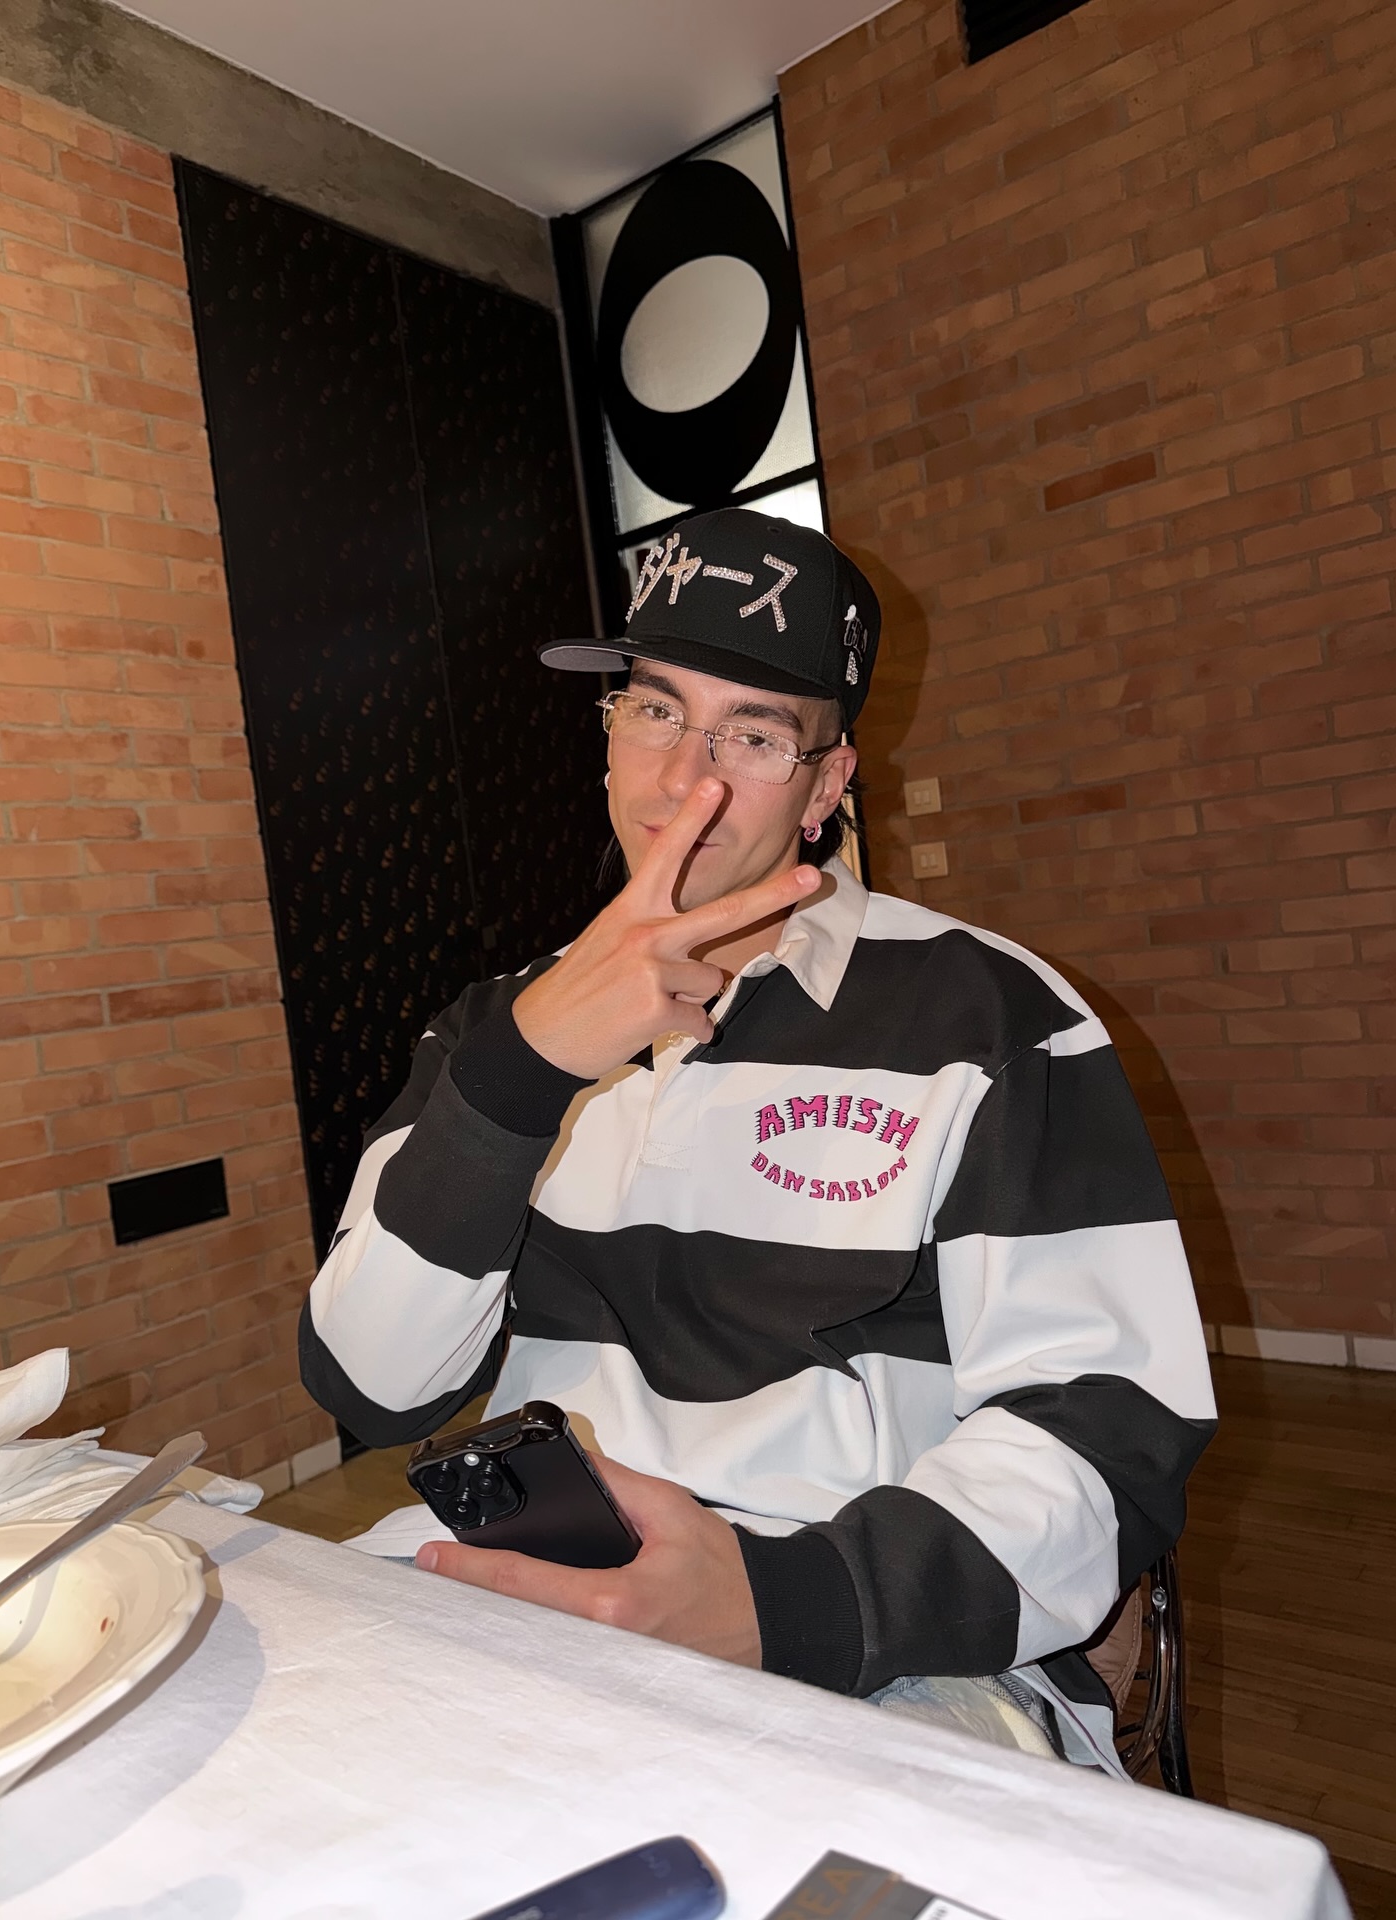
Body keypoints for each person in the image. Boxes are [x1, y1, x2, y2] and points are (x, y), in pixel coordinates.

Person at [300, 506, 1216, 1770]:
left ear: (828, 787)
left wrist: (781, 1606)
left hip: (868, 1636)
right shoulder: (494, 1031)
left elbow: (1105, 1427)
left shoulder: (992, 1017)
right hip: (526, 1584)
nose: (690, 779)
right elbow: (372, 1387)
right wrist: (521, 1075)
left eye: (756, 732)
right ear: (608, 736)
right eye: (657, 709)